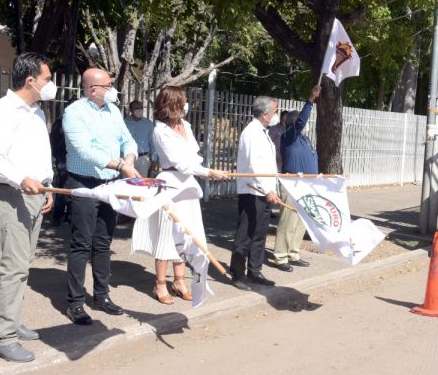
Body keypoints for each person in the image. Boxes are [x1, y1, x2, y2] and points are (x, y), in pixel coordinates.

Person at [0, 52, 55, 363]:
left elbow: (40, 153)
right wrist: (21, 179)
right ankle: (3, 337)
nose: (50, 84)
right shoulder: (2, 112)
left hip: (36, 195)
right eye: (48, 79)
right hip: (11, 196)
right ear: (31, 80)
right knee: (14, 267)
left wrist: (47, 184)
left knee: (23, 265)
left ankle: (12, 321)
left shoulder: (36, 112)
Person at [131, 87, 228, 304]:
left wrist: (204, 169)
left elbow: (193, 155)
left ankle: (179, 281)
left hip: (188, 187)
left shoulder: (186, 125)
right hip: (170, 184)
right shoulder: (160, 131)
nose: (186, 105)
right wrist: (209, 172)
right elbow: (180, 163)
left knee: (187, 233)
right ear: (172, 104)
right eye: (183, 101)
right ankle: (159, 284)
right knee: (167, 234)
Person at [62, 68, 141, 325]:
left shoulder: (113, 111)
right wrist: (120, 166)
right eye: (108, 85)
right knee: (81, 243)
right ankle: (74, 303)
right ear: (93, 90)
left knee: (104, 242)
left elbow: (127, 139)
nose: (113, 89)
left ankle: (101, 296)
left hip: (111, 183)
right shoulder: (74, 113)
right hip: (84, 183)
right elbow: (84, 150)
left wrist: (129, 157)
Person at [230, 96, 282, 291]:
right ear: (266, 114)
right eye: (275, 111)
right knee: (245, 234)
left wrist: (271, 189)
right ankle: (237, 274)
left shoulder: (263, 132)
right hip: (253, 191)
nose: (277, 115)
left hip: (264, 191)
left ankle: (255, 270)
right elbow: (254, 164)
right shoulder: (251, 132)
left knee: (259, 233)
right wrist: (267, 189)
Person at [270, 85, 321, 272]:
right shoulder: (288, 136)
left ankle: (293, 252)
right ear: (295, 122)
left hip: (307, 184)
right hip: (292, 183)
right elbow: (301, 122)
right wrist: (310, 99)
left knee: (301, 221)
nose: (305, 124)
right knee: (288, 220)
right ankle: (280, 256)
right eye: (301, 121)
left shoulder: (303, 139)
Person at [49, 96, 76, 226]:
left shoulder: (78, 122)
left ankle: (69, 215)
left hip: (72, 159)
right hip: (64, 159)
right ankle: (58, 215)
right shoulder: (61, 122)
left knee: (72, 187)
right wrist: (57, 156)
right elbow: (53, 141)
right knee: (63, 187)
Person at [124, 99, 156, 177]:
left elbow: (152, 142)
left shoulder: (148, 123)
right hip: (127, 158)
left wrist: (154, 160)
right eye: (136, 108)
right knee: (126, 184)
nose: (139, 110)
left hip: (143, 159)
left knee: (141, 184)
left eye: (141, 108)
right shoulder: (124, 122)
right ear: (131, 110)